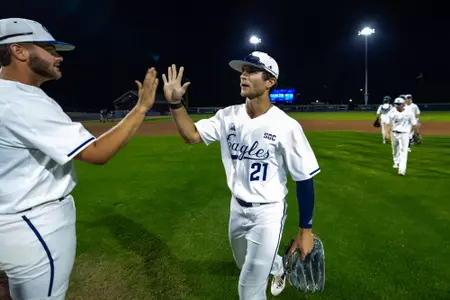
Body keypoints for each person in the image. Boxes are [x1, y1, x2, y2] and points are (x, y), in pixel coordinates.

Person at [0, 18, 159, 299]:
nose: (58, 57)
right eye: (49, 48)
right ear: (19, 51)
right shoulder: (22, 99)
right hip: (32, 225)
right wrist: (142, 107)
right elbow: (98, 153)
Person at [161, 51, 321, 299]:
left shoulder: (286, 126)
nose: (243, 76)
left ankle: (268, 272)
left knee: (249, 286)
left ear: (270, 82)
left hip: (268, 212)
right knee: (241, 262)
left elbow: (304, 179)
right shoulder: (227, 116)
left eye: (251, 71)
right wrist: (175, 104)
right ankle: (280, 267)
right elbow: (191, 135)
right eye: (242, 71)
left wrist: (305, 230)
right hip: (237, 208)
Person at [386, 97, 421, 176]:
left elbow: (414, 125)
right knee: (395, 150)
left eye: (399, 104)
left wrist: (417, 135)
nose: (397, 106)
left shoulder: (409, 113)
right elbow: (388, 123)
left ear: (403, 104)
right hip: (394, 133)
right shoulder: (392, 112)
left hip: (404, 134)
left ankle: (402, 170)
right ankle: (396, 161)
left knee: (403, 152)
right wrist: (387, 134)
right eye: (396, 104)